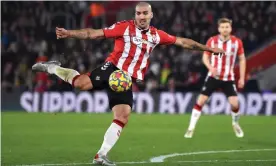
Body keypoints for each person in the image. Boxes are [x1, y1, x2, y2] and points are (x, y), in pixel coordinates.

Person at [32, 2, 224, 166]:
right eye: (138, 13)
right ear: (135, 15)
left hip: (126, 80)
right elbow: (94, 34)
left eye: (145, 13)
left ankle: (101, 155)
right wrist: (70, 33)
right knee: (81, 84)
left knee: (123, 116)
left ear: (151, 15)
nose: (141, 16)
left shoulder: (157, 35)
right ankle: (52, 68)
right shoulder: (124, 27)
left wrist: (208, 49)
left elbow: (183, 42)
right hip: (112, 69)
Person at [184, 18, 246, 139]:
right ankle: (190, 128)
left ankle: (235, 123)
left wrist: (242, 78)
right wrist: (210, 67)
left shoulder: (237, 42)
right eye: (222, 27)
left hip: (228, 78)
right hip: (213, 76)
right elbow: (205, 57)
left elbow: (242, 59)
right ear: (218, 29)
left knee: (235, 104)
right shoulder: (212, 41)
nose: (224, 29)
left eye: (227, 27)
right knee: (201, 101)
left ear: (231, 28)